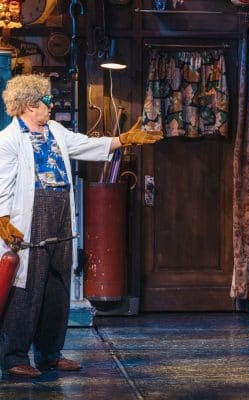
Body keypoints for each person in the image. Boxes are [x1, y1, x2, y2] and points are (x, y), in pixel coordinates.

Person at [0, 74, 163, 378]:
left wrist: (123, 140)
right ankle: (14, 357)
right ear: (29, 105)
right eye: (46, 100)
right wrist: (3, 219)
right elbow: (1, 183)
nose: (50, 105)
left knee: (57, 287)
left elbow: (85, 145)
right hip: (30, 219)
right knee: (27, 289)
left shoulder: (55, 130)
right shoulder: (8, 140)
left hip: (61, 215)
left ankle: (50, 354)